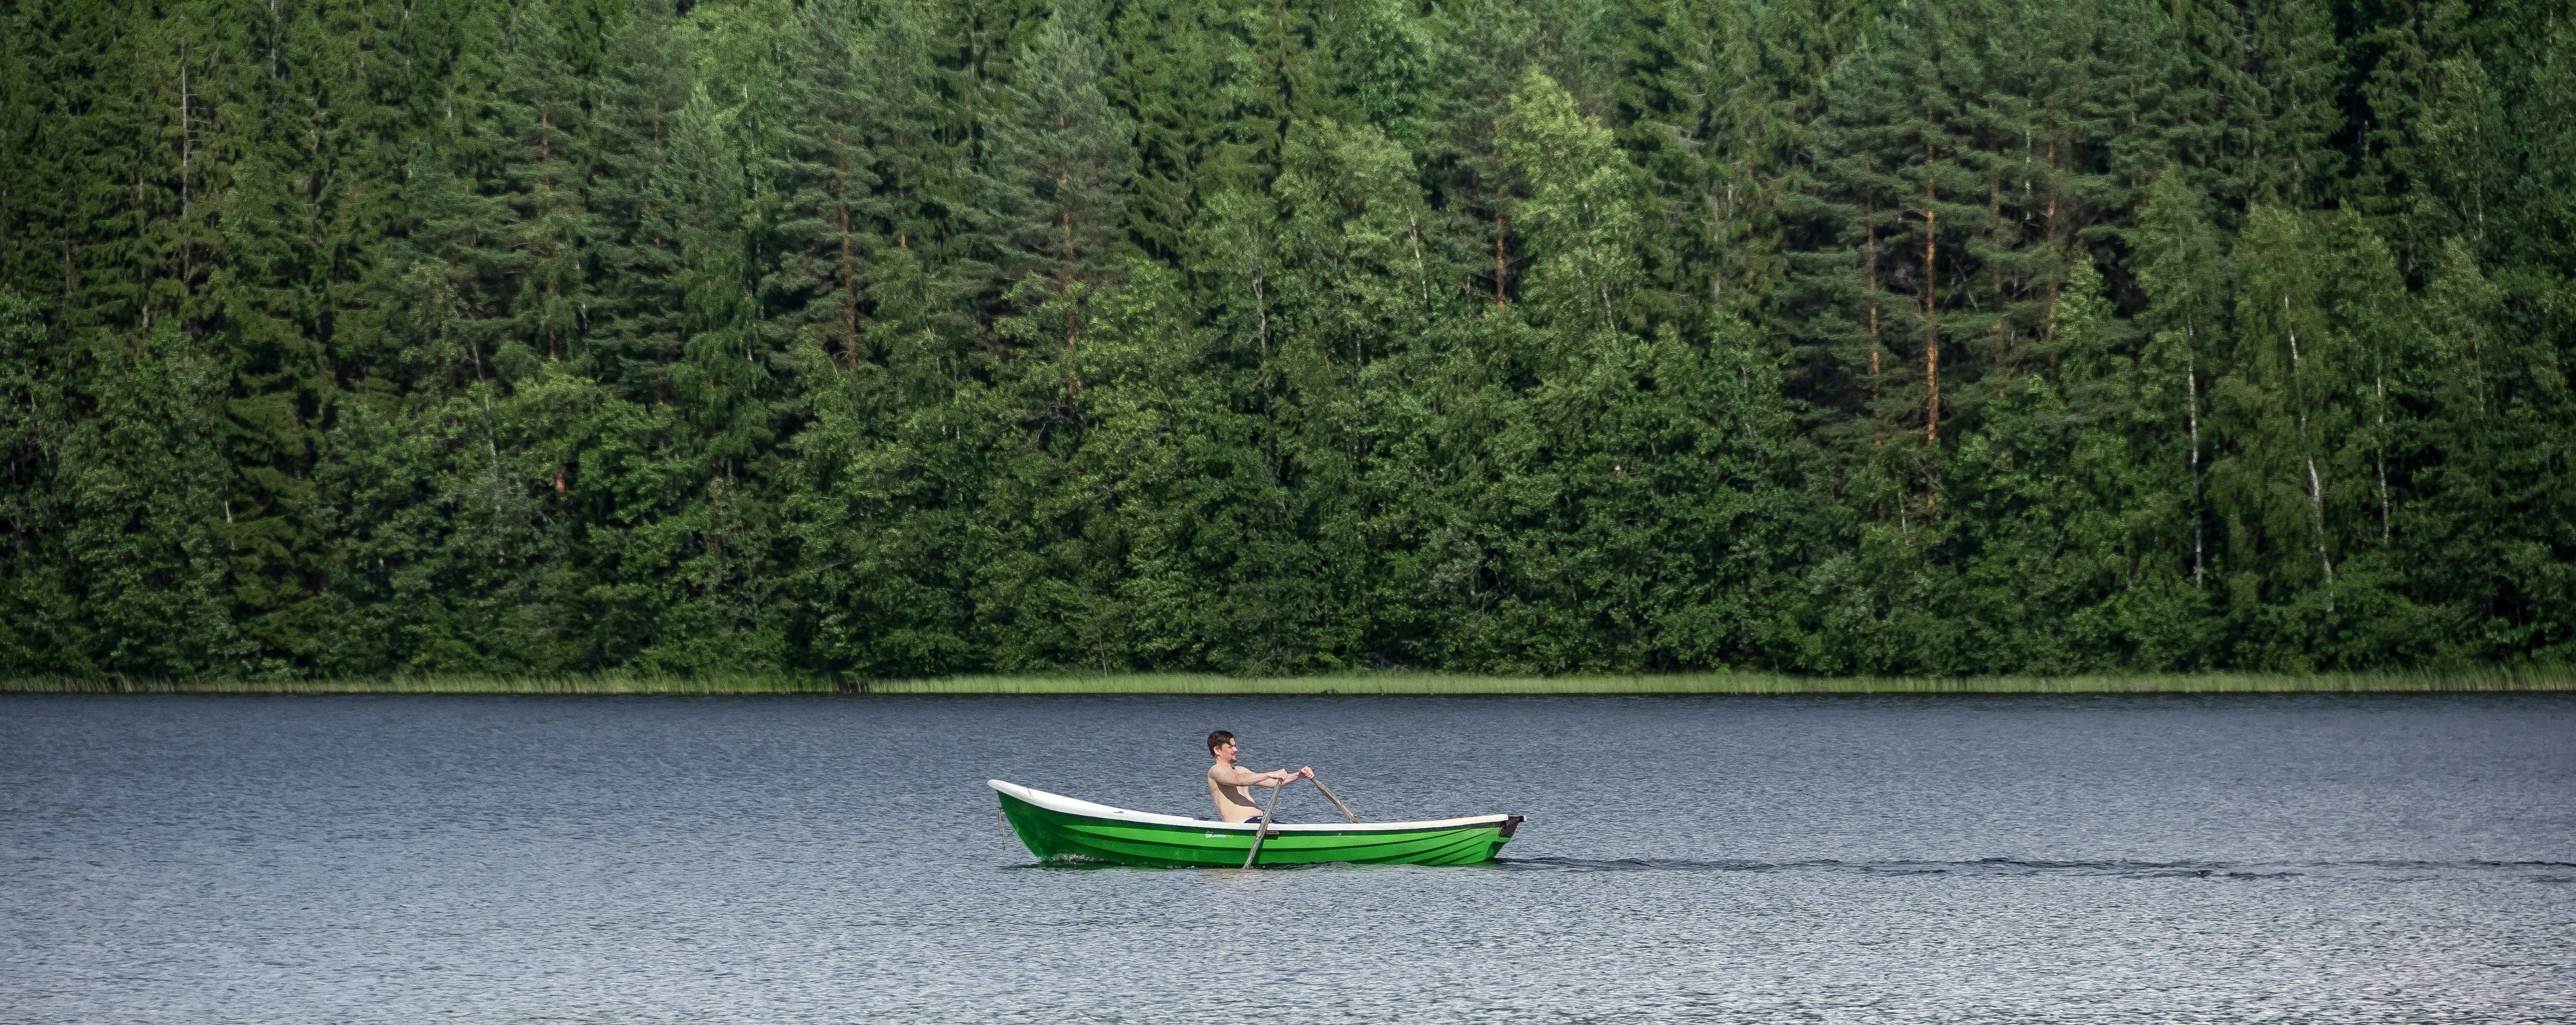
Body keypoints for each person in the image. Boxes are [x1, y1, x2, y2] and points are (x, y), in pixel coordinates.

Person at [1205, 730, 1312, 823]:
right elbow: (1238, 780)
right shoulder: (1216, 771)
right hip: (1242, 825)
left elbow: (1274, 783)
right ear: (1217, 750)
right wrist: (1269, 774)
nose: (1236, 750)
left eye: (1235, 746)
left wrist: (1299, 775)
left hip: (1258, 822)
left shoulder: (1241, 770)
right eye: (1231, 747)